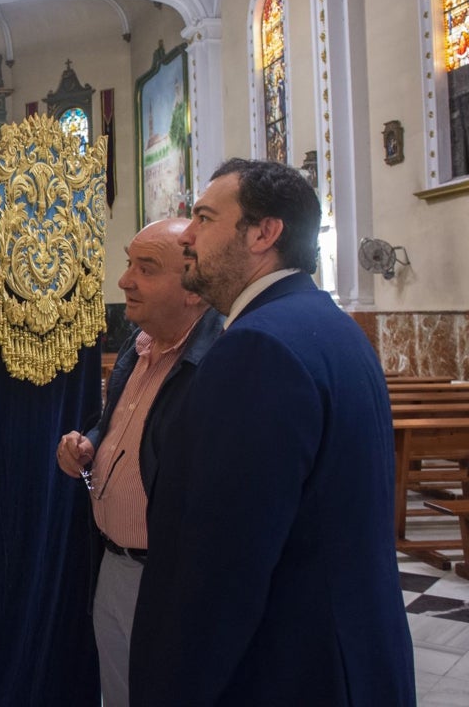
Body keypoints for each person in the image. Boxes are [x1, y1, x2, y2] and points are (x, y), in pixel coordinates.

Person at [130, 159, 415, 706]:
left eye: (205, 218)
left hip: (285, 670)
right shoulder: (331, 327)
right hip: (350, 657)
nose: (188, 234)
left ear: (264, 233)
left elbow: (222, 563)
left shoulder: (258, 348)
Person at [57, 218, 223, 707]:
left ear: (193, 287)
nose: (125, 280)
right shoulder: (139, 343)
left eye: (145, 268)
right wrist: (88, 442)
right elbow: (119, 424)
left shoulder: (218, 362)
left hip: (168, 578)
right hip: (113, 560)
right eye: (129, 263)